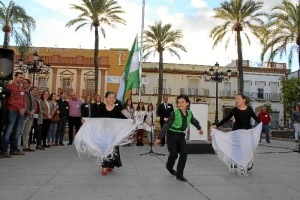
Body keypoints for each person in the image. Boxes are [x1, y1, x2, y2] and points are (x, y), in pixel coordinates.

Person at [154, 95, 203, 182]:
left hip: (181, 135)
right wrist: (159, 138)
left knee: (184, 154)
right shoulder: (174, 113)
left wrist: (199, 128)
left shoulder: (190, 113)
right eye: (178, 102)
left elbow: (194, 121)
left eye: (182, 102)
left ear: (187, 103)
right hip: (172, 135)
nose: (180, 104)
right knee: (174, 154)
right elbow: (166, 125)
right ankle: (169, 167)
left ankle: (179, 175)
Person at [211, 94, 261, 174]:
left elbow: (256, 118)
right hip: (236, 132)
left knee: (247, 149)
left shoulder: (249, 109)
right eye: (235, 99)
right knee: (235, 148)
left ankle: (247, 163)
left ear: (244, 100)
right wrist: (217, 125)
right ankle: (235, 163)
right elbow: (226, 118)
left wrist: (261, 123)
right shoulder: (235, 110)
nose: (236, 100)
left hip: (246, 132)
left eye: (238, 99)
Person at [96, 91, 126, 176]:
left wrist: (131, 121)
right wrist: (87, 120)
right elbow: (96, 116)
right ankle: (104, 167)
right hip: (104, 132)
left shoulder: (117, 108)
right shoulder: (102, 107)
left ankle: (110, 165)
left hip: (113, 133)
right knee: (105, 149)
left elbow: (122, 118)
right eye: (110, 97)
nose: (112, 99)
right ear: (106, 99)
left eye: (113, 98)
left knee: (113, 149)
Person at [1, 72, 26, 158]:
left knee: (17, 131)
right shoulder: (9, 87)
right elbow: (10, 100)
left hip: (21, 112)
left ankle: (14, 149)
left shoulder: (22, 88)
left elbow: (24, 100)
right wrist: (20, 108)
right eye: (20, 77)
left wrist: (24, 109)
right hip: (12, 111)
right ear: (15, 77)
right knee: (9, 130)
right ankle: (4, 150)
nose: (21, 79)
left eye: (22, 78)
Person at [20, 79, 36, 152]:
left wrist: (32, 111)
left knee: (27, 131)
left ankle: (26, 146)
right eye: (23, 83)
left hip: (30, 116)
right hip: (24, 115)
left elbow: (34, 105)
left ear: (29, 84)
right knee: (20, 131)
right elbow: (21, 104)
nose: (23, 84)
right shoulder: (21, 92)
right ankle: (17, 147)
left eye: (25, 83)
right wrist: (28, 112)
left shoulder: (31, 94)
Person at [0, 81, 11, 150]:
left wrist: (1, 90)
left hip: (2, 113)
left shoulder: (1, 84)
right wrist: (2, 94)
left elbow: (8, 92)